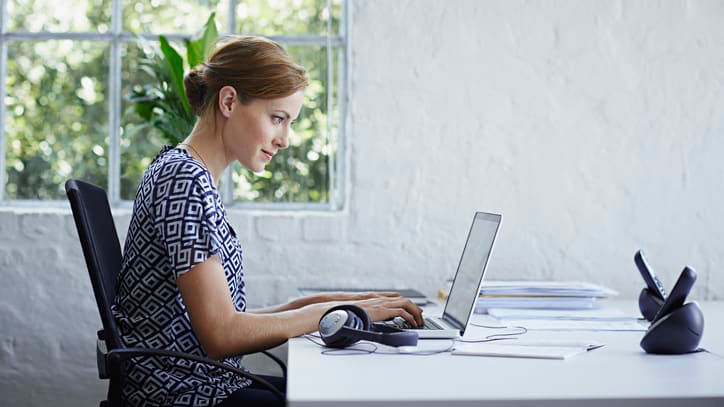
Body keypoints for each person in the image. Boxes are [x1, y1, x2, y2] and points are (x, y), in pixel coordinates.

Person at [112, 35, 424, 407]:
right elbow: (222, 335)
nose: (286, 139)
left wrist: (340, 302)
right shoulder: (184, 180)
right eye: (277, 118)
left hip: (204, 385)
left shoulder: (188, 174)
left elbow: (226, 319)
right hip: (188, 397)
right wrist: (329, 311)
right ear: (229, 101)